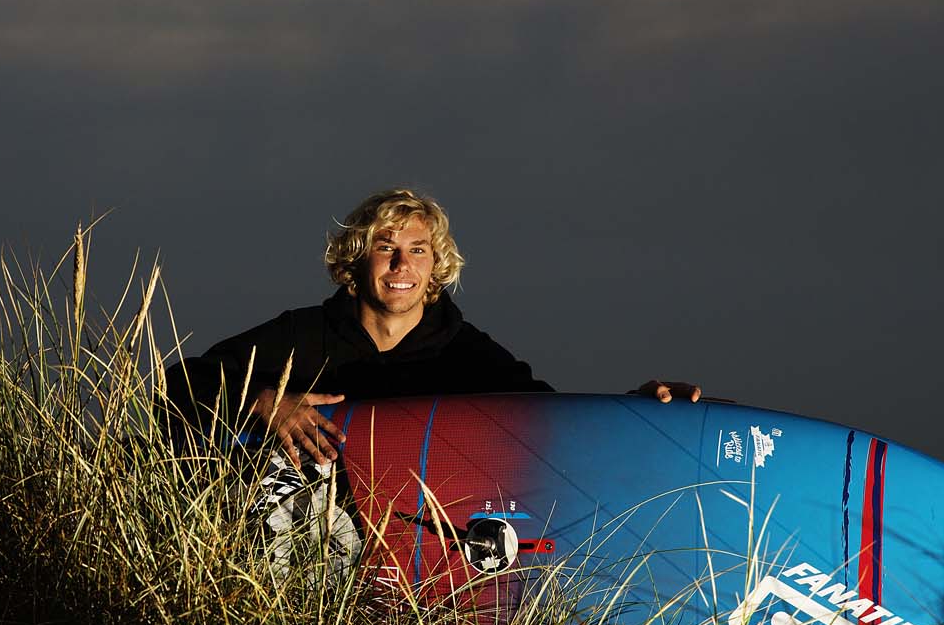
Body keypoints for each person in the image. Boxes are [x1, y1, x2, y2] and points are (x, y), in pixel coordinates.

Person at [164, 187, 699, 464]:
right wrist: (266, 402)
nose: (402, 266)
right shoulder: (305, 335)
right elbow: (180, 381)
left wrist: (637, 407)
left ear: (435, 266)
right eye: (385, 249)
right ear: (355, 262)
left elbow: (548, 418)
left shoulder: (463, 351)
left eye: (417, 251)